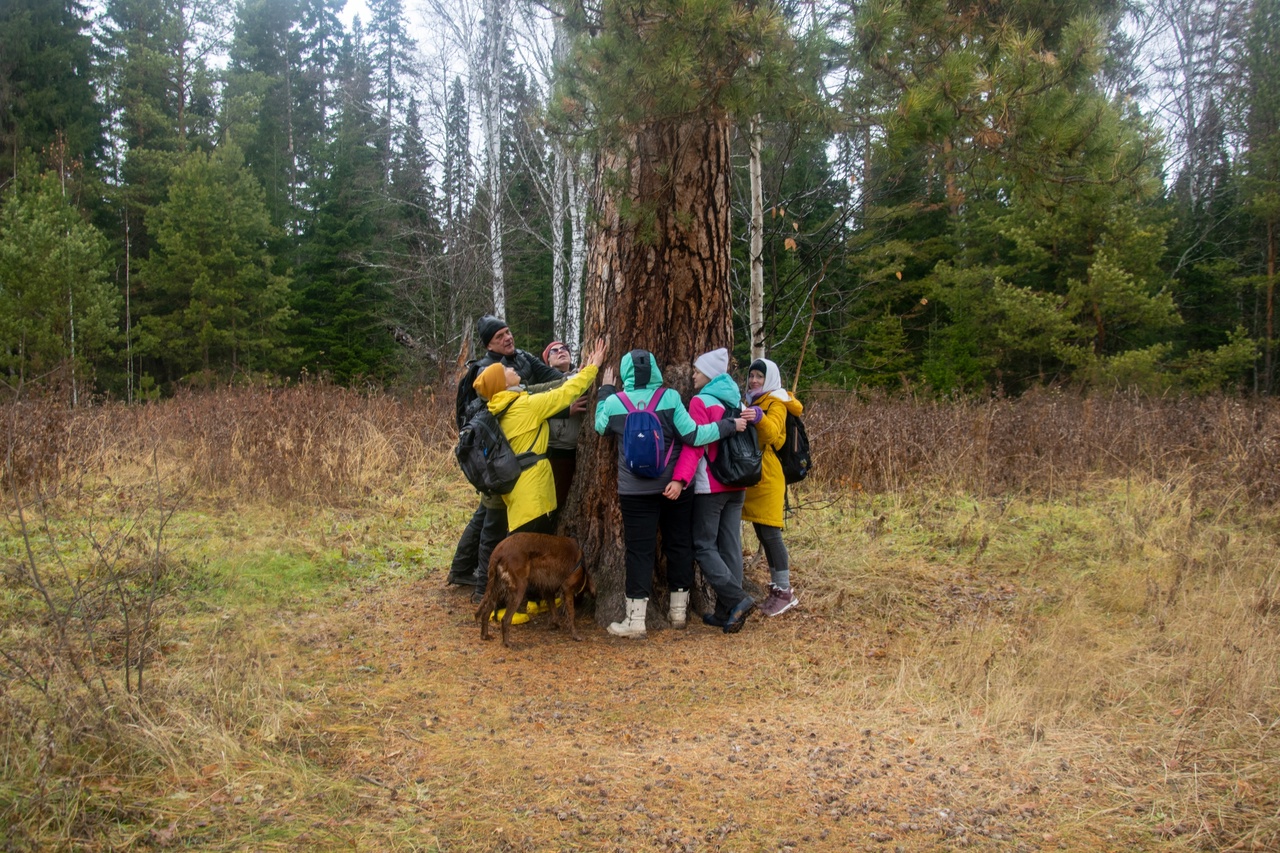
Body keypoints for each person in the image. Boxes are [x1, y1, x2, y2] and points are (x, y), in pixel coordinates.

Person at [593, 349, 747, 638]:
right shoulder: (671, 398)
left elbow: (599, 426)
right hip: (674, 487)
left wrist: (605, 390)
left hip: (635, 491)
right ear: (654, 370)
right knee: (679, 544)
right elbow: (694, 436)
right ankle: (678, 612)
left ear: (626, 372)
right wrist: (727, 426)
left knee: (638, 551)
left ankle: (635, 620)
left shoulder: (615, 403)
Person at [448, 315, 564, 595]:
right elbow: (514, 402)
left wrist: (567, 381)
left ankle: (463, 570)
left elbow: (551, 380)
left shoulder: (522, 358)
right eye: (500, 337)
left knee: (487, 516)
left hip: (514, 456)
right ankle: (480, 588)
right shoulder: (486, 371)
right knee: (492, 520)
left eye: (508, 331)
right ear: (489, 344)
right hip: (496, 458)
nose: (508, 338)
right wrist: (560, 404)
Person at [472, 338, 605, 536]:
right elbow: (565, 394)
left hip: (520, 502)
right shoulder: (524, 406)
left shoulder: (500, 408)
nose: (511, 369)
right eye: (505, 371)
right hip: (534, 499)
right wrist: (593, 368)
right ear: (502, 383)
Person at [669, 348, 756, 633]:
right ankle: (725, 611)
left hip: (712, 485)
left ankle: (738, 599)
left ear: (709, 374)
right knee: (729, 546)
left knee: (703, 546)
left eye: (696, 370)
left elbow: (695, 444)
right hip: (738, 483)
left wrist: (681, 479)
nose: (692, 374)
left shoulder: (701, 401)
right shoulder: (737, 399)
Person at [741, 357, 804, 616]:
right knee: (763, 534)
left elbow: (773, 436)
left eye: (760, 376)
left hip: (768, 478)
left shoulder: (776, 402)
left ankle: (784, 591)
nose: (754, 380)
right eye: (752, 375)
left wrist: (758, 418)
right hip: (757, 478)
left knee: (771, 535)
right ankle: (777, 589)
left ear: (771, 380)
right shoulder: (755, 400)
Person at [540, 341, 588, 516]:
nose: (561, 351)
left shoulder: (581, 375)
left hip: (582, 452)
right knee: (557, 502)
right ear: (548, 362)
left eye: (564, 349)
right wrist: (566, 410)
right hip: (557, 452)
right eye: (554, 351)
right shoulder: (545, 383)